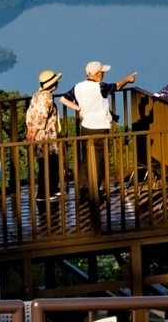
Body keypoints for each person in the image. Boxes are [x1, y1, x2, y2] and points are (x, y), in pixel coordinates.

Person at [59, 61, 137, 218]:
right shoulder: (100, 87)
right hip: (100, 128)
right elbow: (116, 86)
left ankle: (83, 190)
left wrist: (78, 108)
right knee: (99, 160)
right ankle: (96, 191)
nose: (103, 74)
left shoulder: (78, 86)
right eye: (102, 72)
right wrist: (128, 79)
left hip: (85, 126)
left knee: (85, 160)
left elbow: (62, 99)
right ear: (95, 74)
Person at [26, 69, 65, 207]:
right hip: (46, 136)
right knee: (47, 164)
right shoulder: (47, 97)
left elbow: (30, 113)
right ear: (53, 85)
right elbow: (42, 115)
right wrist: (35, 129)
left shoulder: (37, 95)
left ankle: (52, 189)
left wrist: (30, 129)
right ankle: (43, 194)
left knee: (46, 164)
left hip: (39, 136)